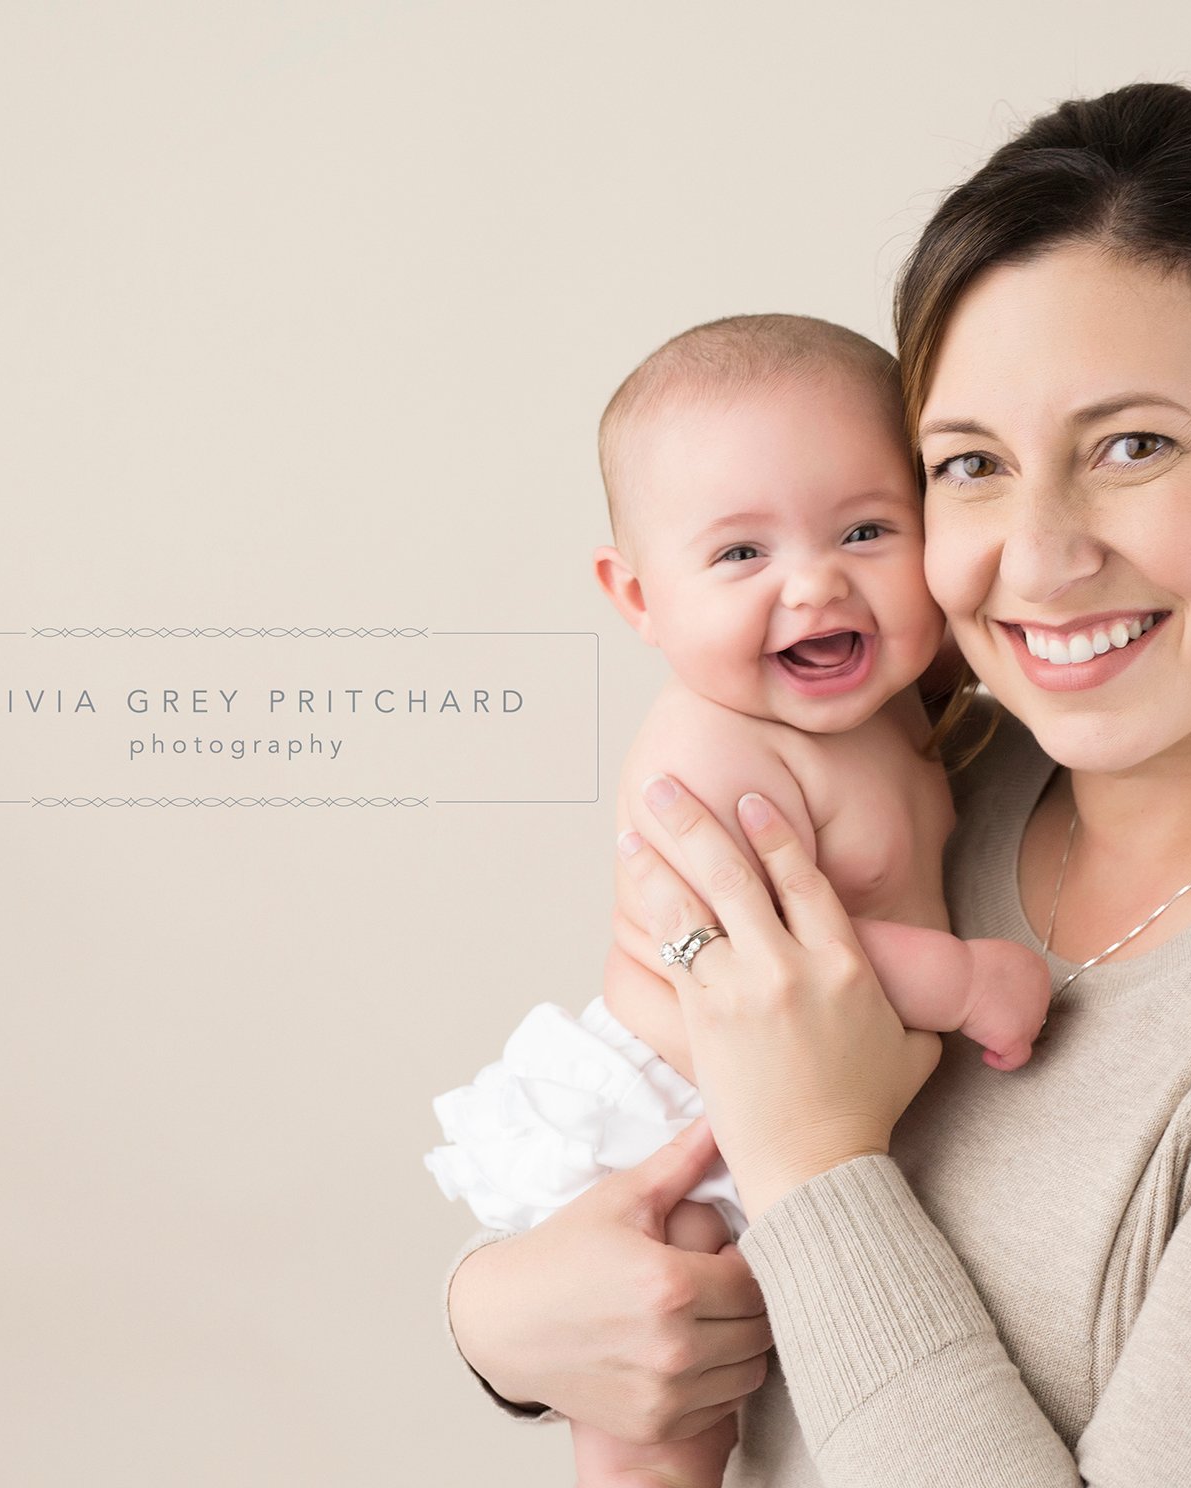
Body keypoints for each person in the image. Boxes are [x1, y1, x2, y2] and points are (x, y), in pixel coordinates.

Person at [440, 80, 1191, 1487]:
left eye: (1132, 446)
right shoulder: (943, 771)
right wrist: (496, 1322)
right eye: (970, 465)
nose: (1036, 558)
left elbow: (781, 1183)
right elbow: (619, 1234)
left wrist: (811, 1160)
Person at [422, 313, 1051, 1487]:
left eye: (867, 530)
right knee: (667, 1443)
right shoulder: (711, 757)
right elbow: (779, 963)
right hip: (676, 1123)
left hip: (790, 1111)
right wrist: (968, 981)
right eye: (739, 556)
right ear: (639, 598)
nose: (816, 583)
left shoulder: (901, 698)